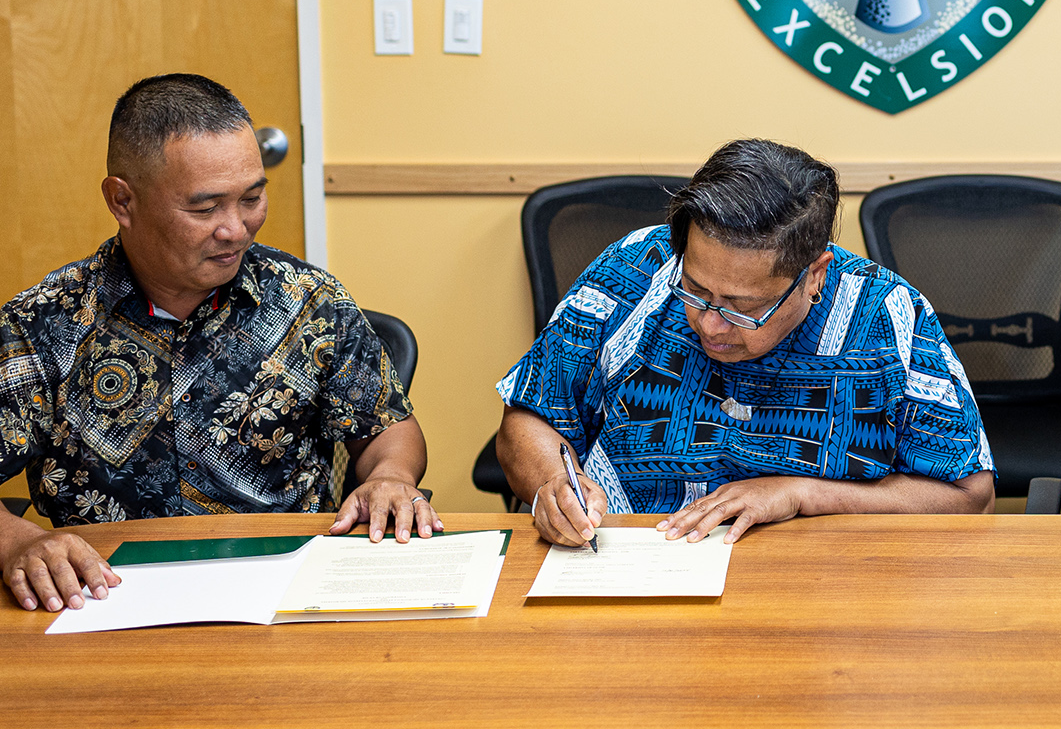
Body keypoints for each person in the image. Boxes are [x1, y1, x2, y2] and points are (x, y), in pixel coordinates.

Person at [0, 74, 437, 614]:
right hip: (108, 599)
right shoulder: (44, 324)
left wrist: (391, 476)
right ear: (122, 201)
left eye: (252, 198)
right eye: (205, 210)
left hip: (290, 592)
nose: (236, 229)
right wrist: (18, 541)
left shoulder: (308, 302)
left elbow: (387, 429)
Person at [496, 138, 995, 547]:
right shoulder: (631, 269)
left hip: (822, 589)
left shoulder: (887, 317)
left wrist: (801, 494)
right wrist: (550, 486)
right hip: (624, 568)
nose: (710, 326)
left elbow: (970, 495)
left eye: (744, 308)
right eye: (693, 290)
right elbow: (529, 415)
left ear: (813, 275)